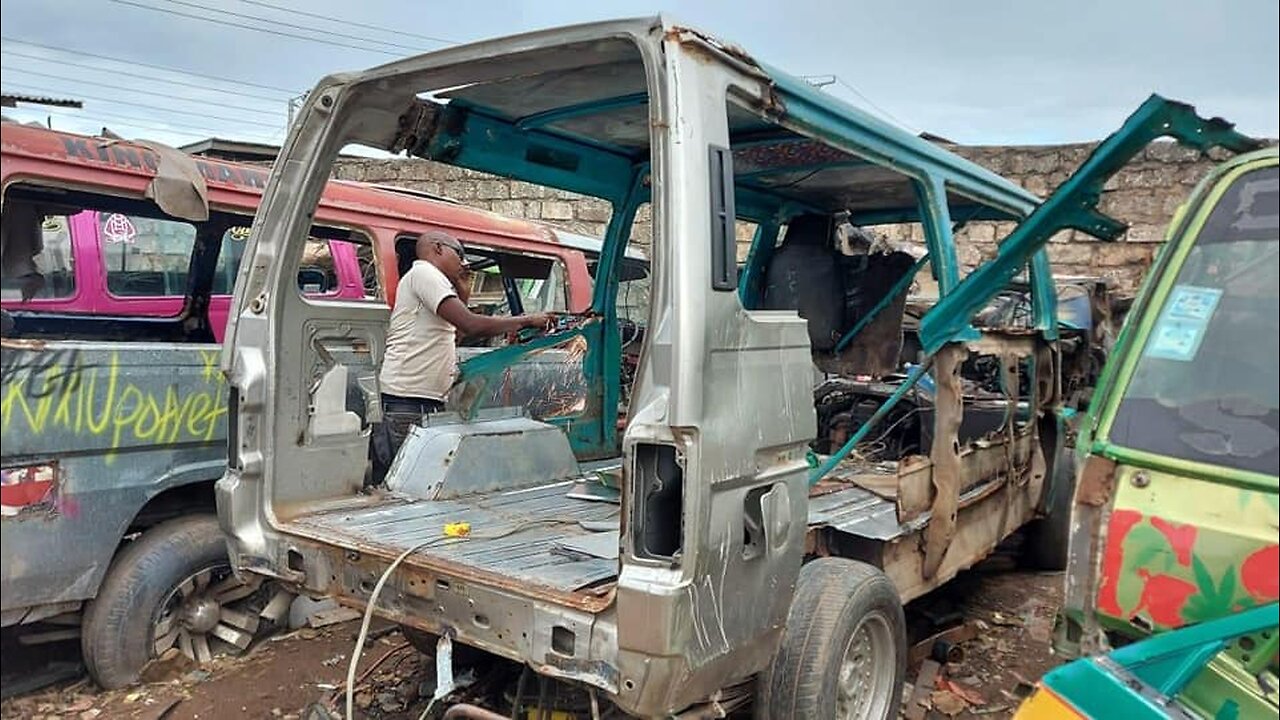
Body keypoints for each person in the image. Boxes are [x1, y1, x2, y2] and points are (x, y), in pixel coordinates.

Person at [371, 229, 552, 482]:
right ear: (437, 248)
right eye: (460, 253)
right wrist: (526, 320)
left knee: (416, 482)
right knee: (404, 484)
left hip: (420, 400)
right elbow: (471, 325)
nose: (463, 262)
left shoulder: (433, 282)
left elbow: (455, 335)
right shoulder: (425, 273)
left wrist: (463, 293)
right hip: (406, 400)